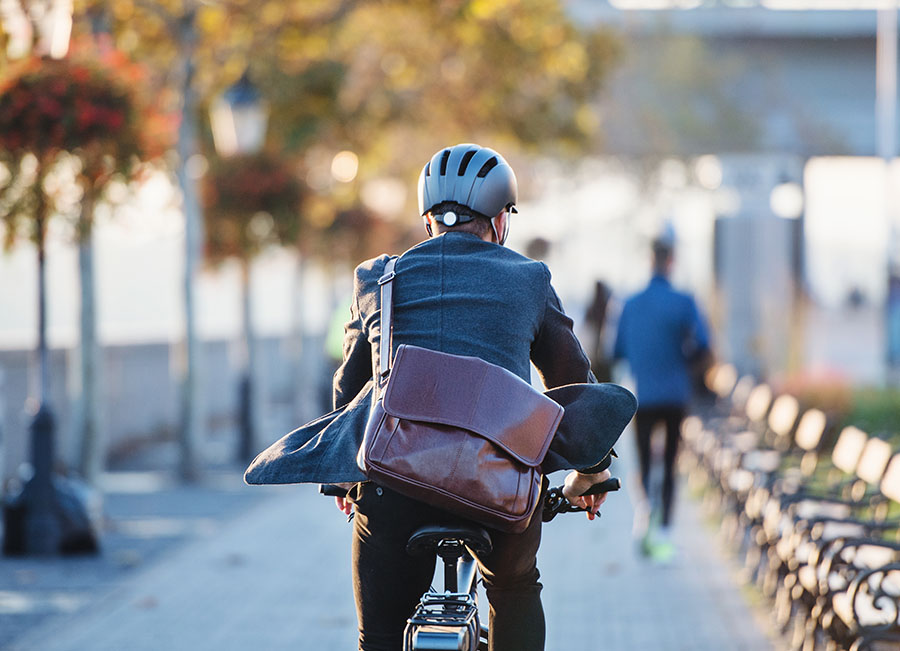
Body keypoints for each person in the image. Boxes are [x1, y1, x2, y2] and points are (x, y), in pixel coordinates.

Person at [244, 144, 636, 651]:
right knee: (514, 586)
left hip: (392, 482)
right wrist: (592, 472)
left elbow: (350, 392)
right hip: (500, 482)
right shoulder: (529, 279)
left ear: (429, 221)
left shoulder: (377, 278)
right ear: (500, 221)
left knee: (380, 637)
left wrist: (344, 479)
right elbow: (571, 384)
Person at [613, 235, 711, 563]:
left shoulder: (630, 303)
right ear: (671, 261)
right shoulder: (684, 301)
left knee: (642, 462)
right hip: (675, 394)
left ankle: (644, 517)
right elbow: (703, 345)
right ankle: (666, 530)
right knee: (669, 462)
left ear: (649, 259)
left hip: (642, 396)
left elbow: (618, 350)